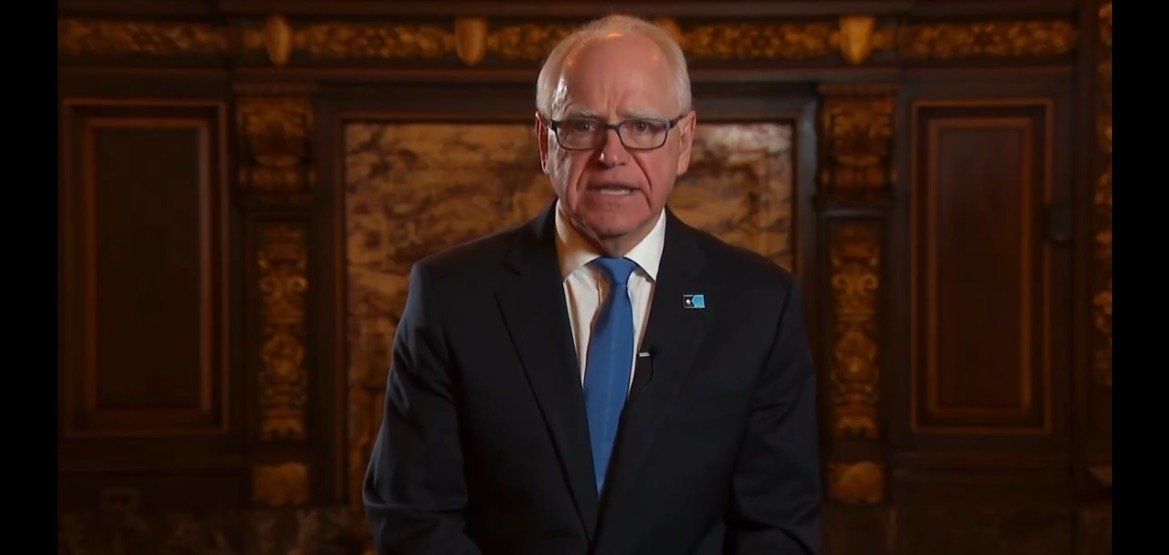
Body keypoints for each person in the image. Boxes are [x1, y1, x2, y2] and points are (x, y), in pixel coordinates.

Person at [363, 13, 823, 554]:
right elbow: (412, 516)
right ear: (544, 140)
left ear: (685, 141)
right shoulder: (451, 296)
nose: (612, 154)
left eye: (643, 126)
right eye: (583, 125)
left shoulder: (760, 306)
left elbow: (779, 528)